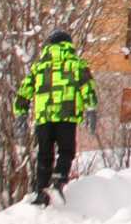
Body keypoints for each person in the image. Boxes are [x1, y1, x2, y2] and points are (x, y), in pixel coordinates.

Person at [13, 28, 98, 205]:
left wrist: (20, 114)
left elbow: (24, 92)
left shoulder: (39, 66)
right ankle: (58, 180)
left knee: (44, 154)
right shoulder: (76, 64)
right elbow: (87, 87)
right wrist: (91, 109)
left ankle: (40, 192)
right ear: (68, 45)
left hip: (43, 118)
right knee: (66, 151)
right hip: (67, 116)